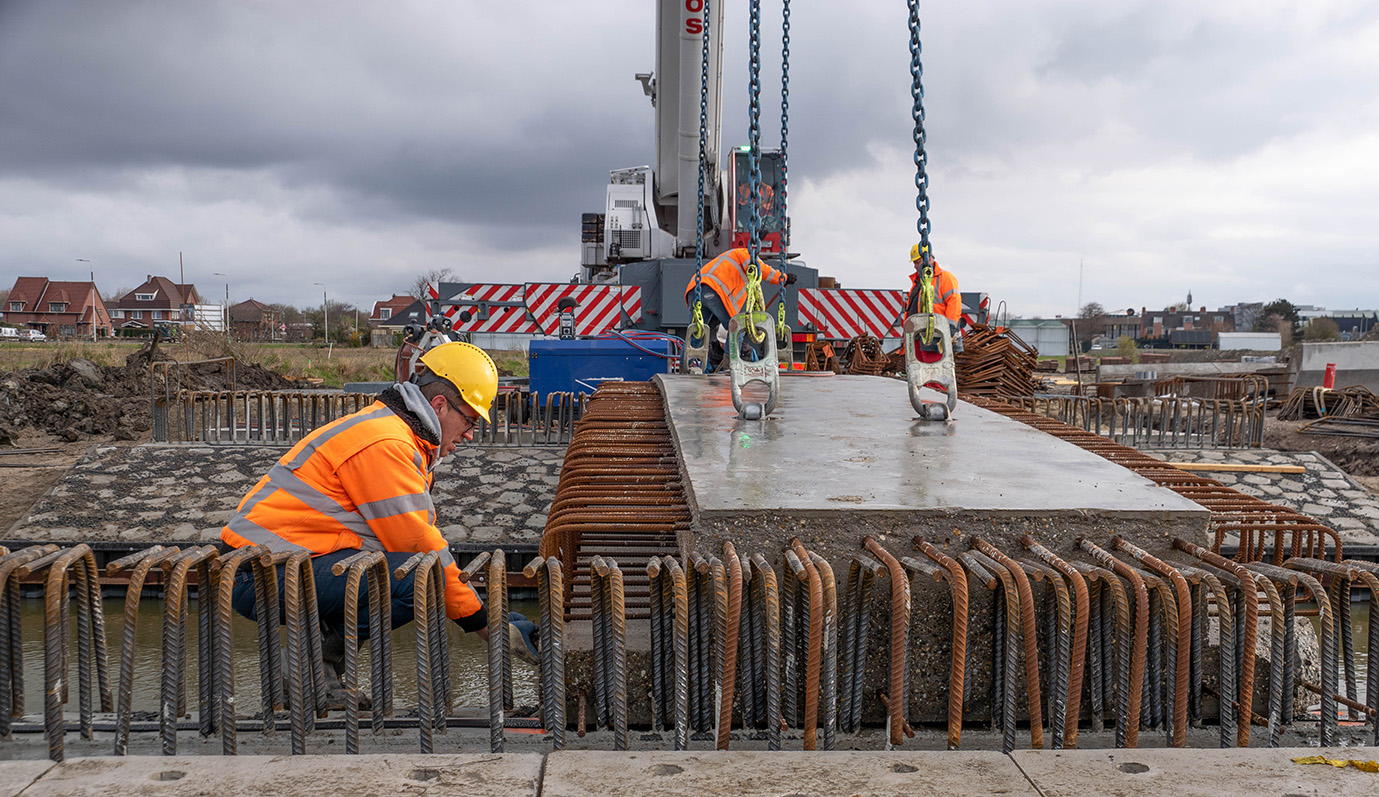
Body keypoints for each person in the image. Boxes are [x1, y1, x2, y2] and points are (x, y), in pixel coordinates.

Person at [221, 340, 509, 693]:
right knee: (420, 578)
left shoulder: (393, 432)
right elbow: (420, 545)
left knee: (393, 571)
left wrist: (487, 612)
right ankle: (303, 672)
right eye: (470, 420)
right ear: (439, 405)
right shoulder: (386, 444)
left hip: (277, 563)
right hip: (256, 573)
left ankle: (314, 675)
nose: (469, 434)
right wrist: (484, 622)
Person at [684, 247, 796, 366]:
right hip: (715, 290)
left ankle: (684, 365)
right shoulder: (745, 254)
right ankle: (729, 366)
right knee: (737, 329)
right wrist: (783, 278)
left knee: (696, 333)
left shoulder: (730, 255)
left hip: (694, 290)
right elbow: (761, 269)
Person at [904, 243, 963, 356]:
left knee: (932, 366)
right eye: (914, 263)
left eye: (917, 262)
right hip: (919, 335)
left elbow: (954, 303)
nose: (915, 266)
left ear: (929, 258)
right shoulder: (918, 281)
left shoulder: (945, 278)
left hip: (936, 336)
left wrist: (949, 329)